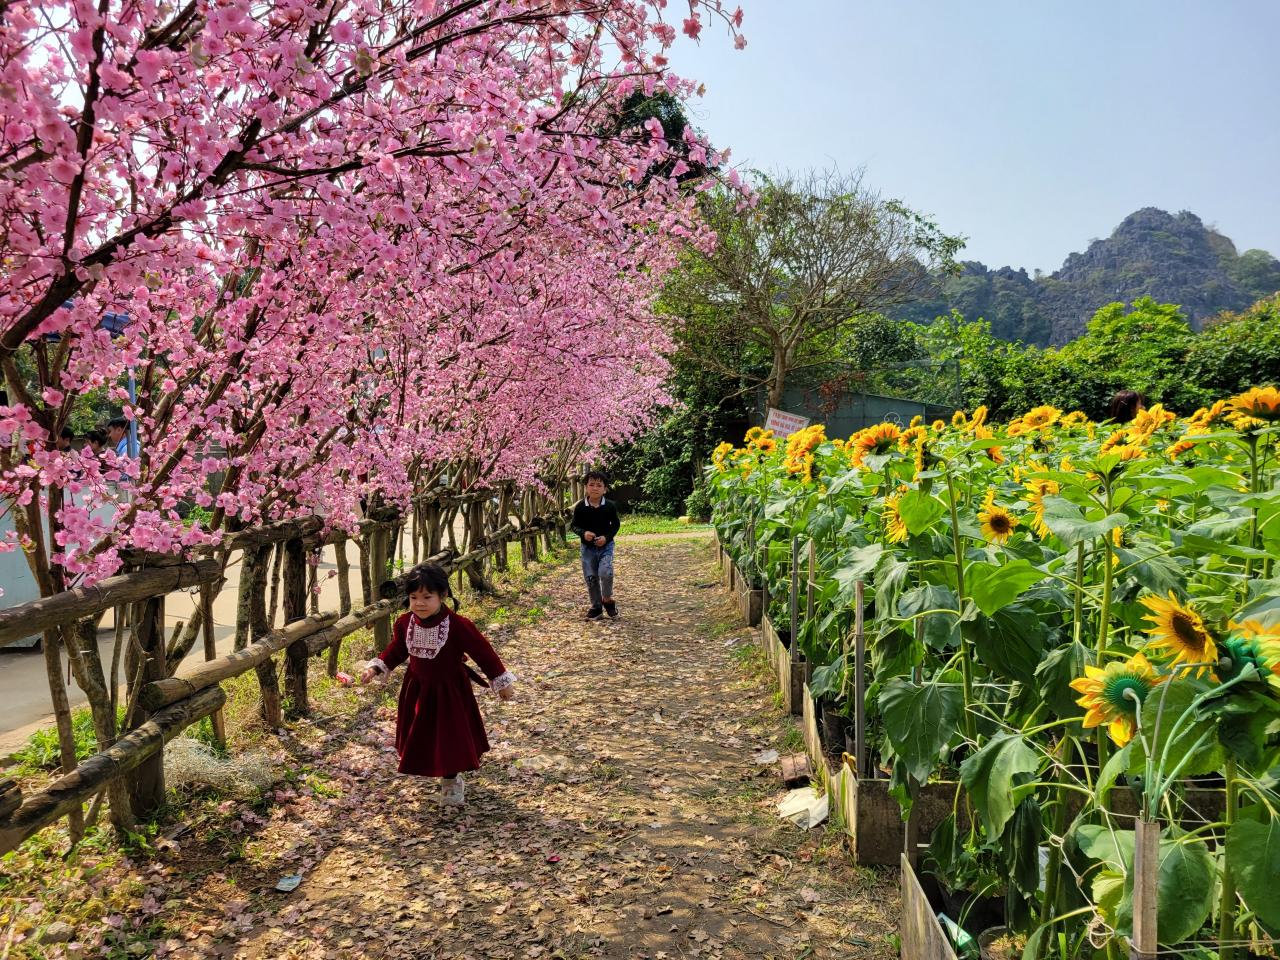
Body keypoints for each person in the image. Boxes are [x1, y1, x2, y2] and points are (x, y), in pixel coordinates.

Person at [360, 562, 517, 807]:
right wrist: (376, 667)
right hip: (418, 689)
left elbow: (483, 652)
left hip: (449, 692)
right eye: (413, 597)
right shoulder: (405, 624)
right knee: (423, 733)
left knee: (449, 735)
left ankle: (451, 781)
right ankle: (431, 766)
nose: (419, 603)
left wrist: (500, 681)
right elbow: (397, 650)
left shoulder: (457, 625)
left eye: (427, 596)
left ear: (442, 595)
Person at [570, 471, 621, 621]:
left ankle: (607, 599)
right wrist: (583, 533)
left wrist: (606, 538)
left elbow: (615, 525)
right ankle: (596, 607)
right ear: (586, 487)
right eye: (591, 484)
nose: (595, 488)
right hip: (587, 549)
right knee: (591, 577)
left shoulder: (610, 506)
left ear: (605, 489)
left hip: (606, 546)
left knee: (606, 572)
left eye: (599, 485)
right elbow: (574, 526)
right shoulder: (580, 507)